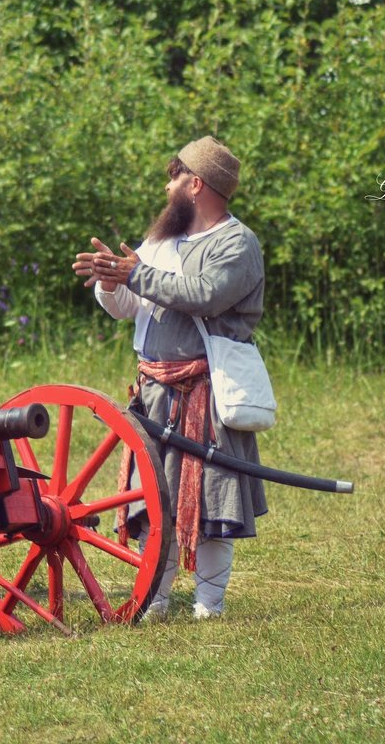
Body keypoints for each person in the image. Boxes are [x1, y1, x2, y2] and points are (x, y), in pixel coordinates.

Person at [72, 135, 267, 621]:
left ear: (195, 184)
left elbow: (203, 295)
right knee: (152, 501)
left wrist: (133, 273)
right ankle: (154, 600)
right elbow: (128, 307)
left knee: (213, 507)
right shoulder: (160, 242)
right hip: (155, 391)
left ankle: (208, 606)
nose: (167, 188)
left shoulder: (237, 243)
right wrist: (111, 281)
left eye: (174, 177)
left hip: (207, 391)